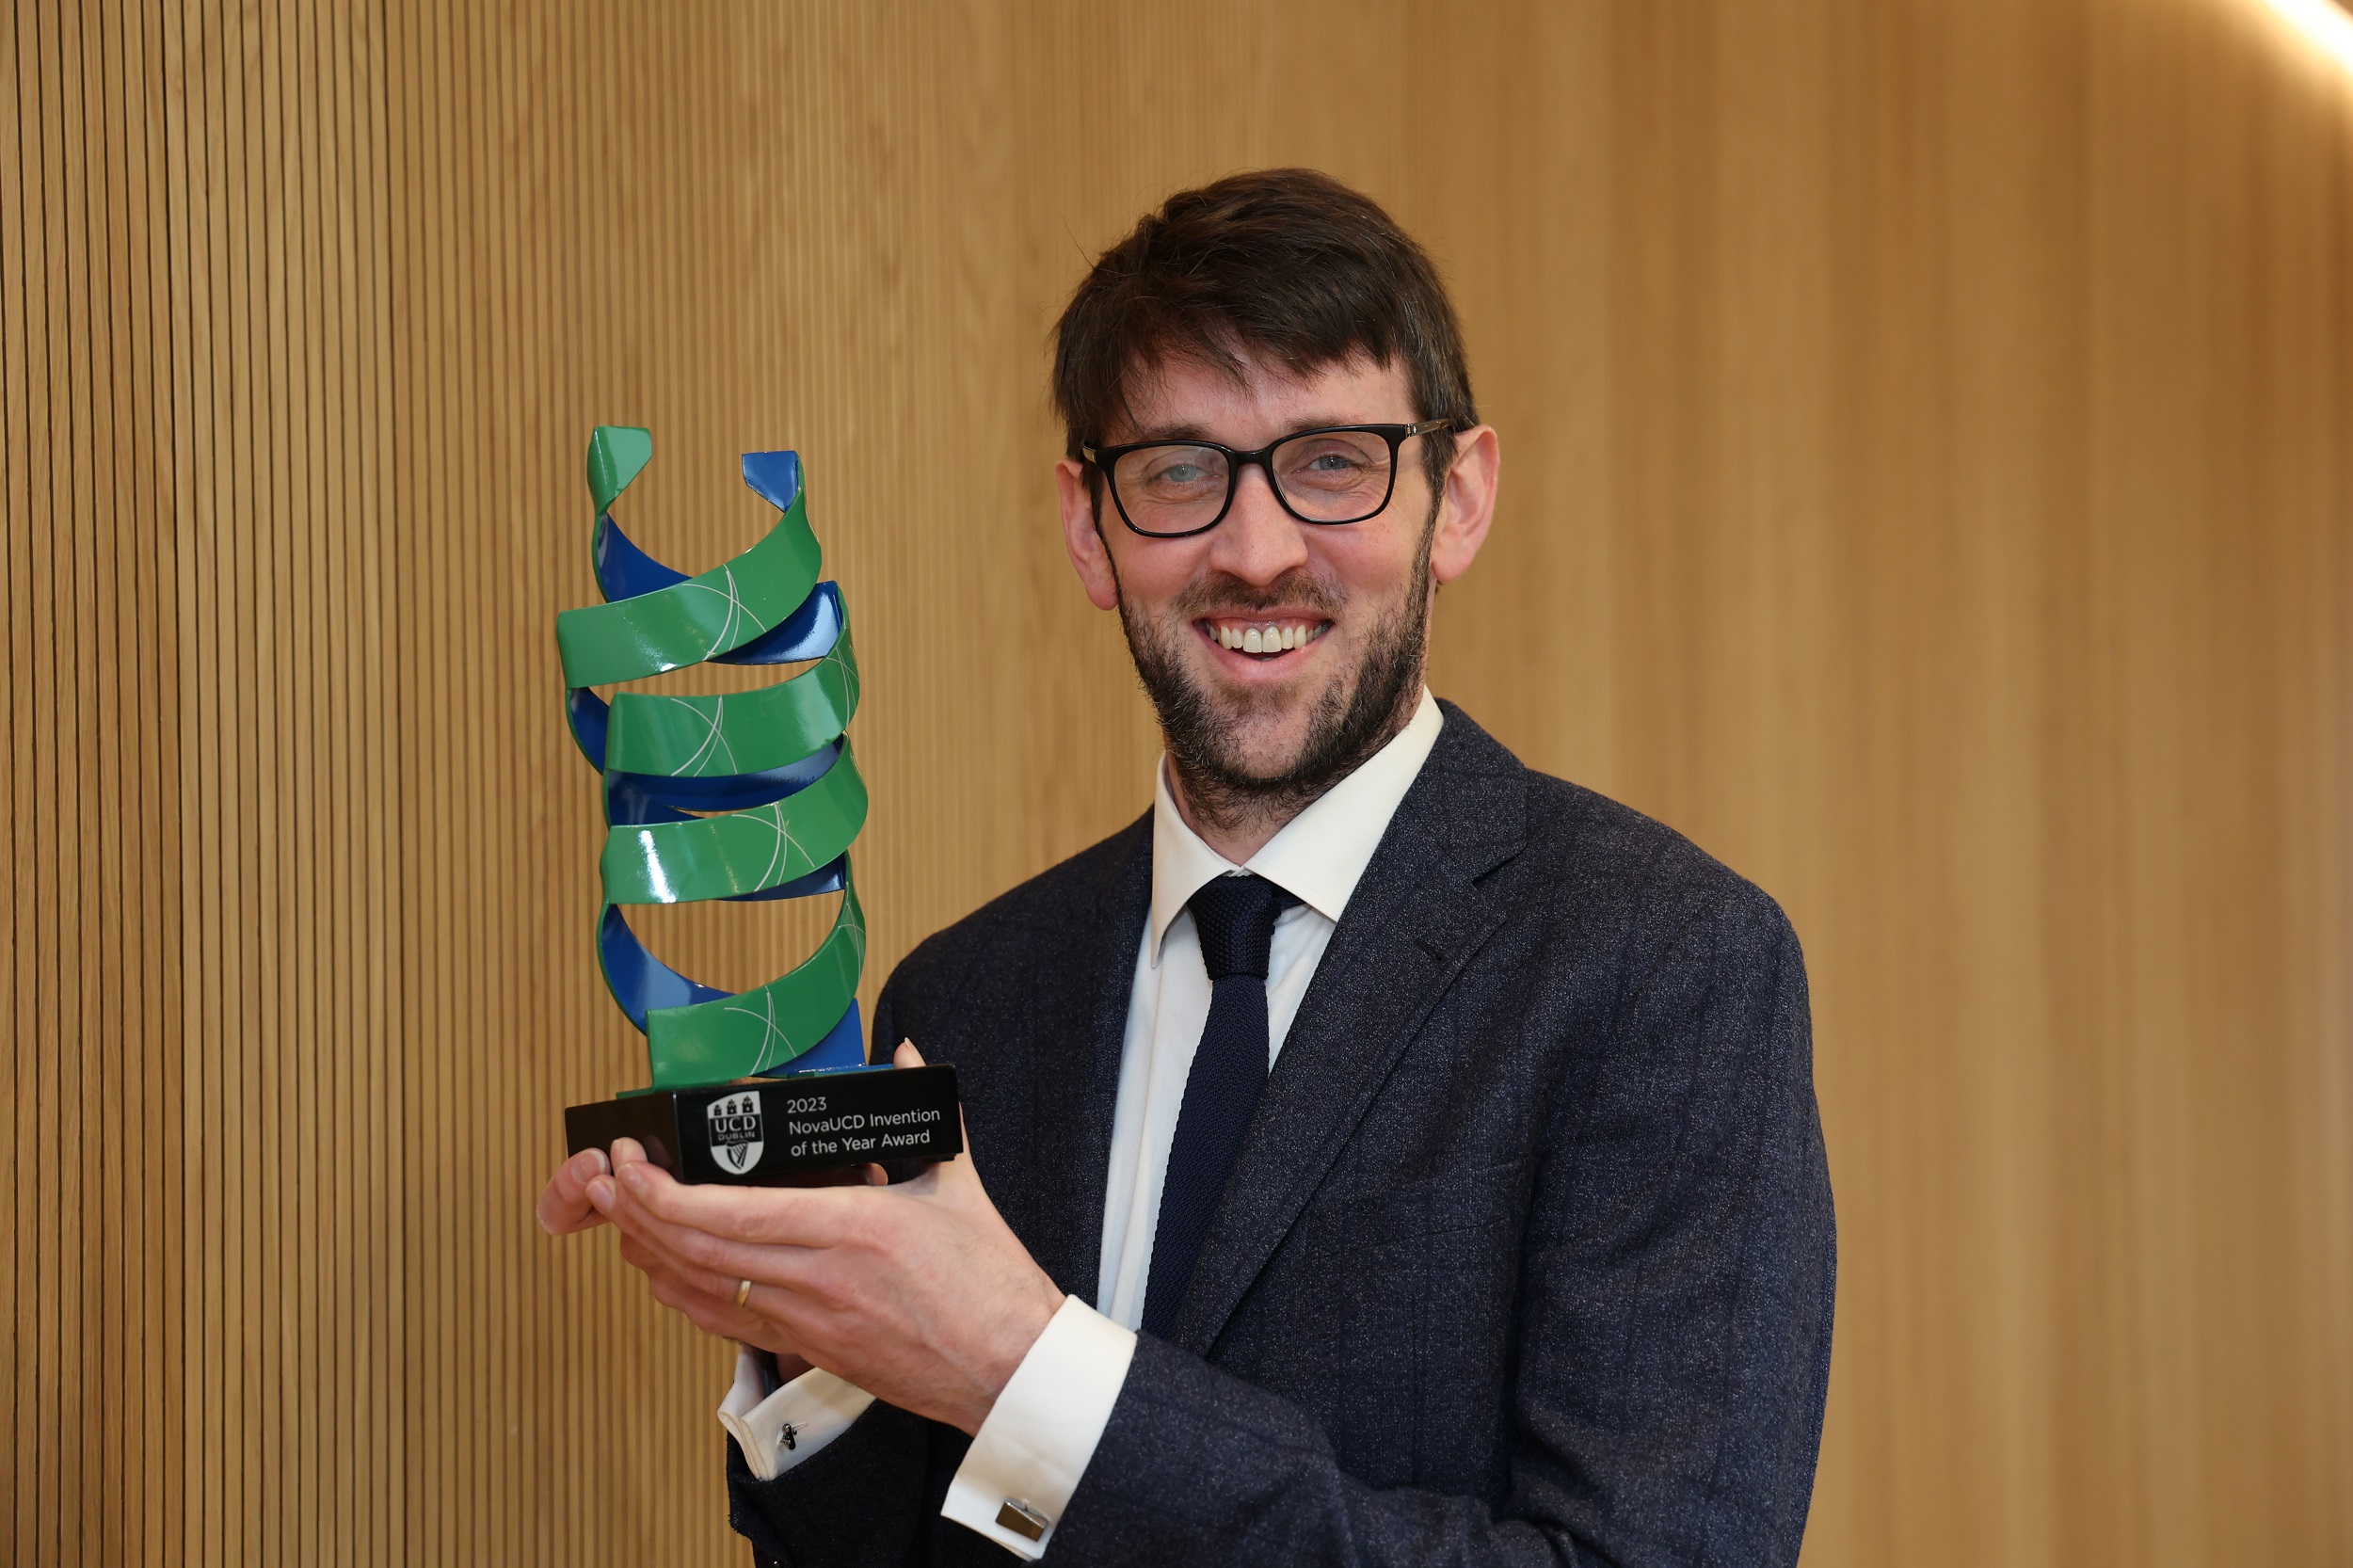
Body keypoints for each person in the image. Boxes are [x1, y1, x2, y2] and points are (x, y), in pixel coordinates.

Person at [536, 168, 1835, 1567]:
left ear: (1458, 499)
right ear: (1091, 530)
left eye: (1333, 460)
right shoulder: (965, 992)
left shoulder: (1666, 966)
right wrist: (809, 1331)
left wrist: (1020, 1364)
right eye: (1178, 473)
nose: (1257, 550)